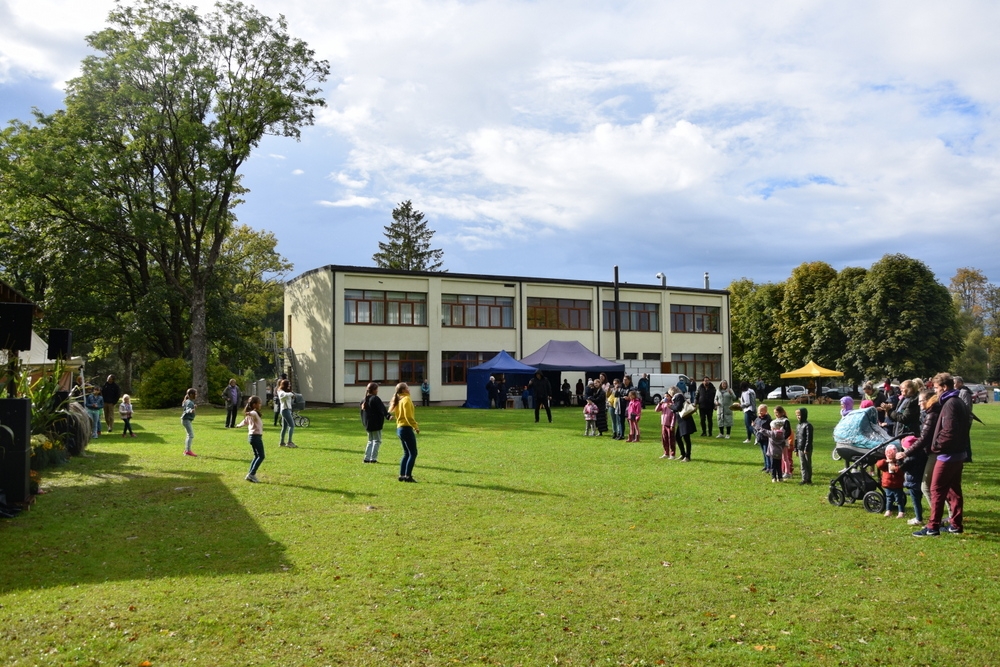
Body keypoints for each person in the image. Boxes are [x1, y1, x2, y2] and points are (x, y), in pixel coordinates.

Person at [914, 373, 970, 537]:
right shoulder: (958, 401)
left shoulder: (950, 403)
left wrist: (936, 446)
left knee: (936, 490)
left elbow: (949, 430)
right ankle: (955, 525)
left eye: (937, 388)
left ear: (944, 387)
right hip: (958, 453)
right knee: (953, 491)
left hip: (948, 455)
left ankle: (932, 527)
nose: (936, 392)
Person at [389, 382, 419, 482]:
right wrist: (415, 426)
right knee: (413, 453)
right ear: (403, 390)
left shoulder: (399, 399)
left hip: (400, 429)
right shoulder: (406, 399)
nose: (409, 389)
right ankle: (408, 476)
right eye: (407, 388)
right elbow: (408, 416)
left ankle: (402, 475)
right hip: (406, 428)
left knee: (406, 453)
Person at [237, 395, 265, 483]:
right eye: (259, 403)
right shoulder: (253, 413)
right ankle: (252, 474)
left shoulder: (253, 414)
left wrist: (239, 425)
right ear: (254, 405)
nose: (260, 405)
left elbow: (244, 421)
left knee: (256, 456)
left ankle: (250, 473)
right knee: (261, 456)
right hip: (256, 437)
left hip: (252, 437)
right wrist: (249, 413)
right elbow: (251, 414)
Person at [362, 382, 390, 463]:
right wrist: (388, 416)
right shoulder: (375, 399)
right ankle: (373, 458)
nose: (377, 391)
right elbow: (382, 409)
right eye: (377, 389)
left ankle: (366, 458)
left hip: (368, 424)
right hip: (376, 423)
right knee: (377, 441)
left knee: (370, 440)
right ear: (374, 390)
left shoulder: (364, 400)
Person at [876, 444, 906, 518]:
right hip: (888, 484)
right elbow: (878, 465)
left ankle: (901, 512)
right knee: (889, 499)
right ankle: (888, 511)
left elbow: (902, 471)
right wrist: (886, 461)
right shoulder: (885, 463)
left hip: (897, 484)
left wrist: (895, 468)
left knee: (899, 499)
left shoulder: (899, 462)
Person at [670, 386, 697, 462]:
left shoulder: (679, 396)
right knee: (678, 437)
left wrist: (671, 407)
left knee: (686, 438)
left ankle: (687, 456)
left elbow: (678, 407)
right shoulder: (677, 397)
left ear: (672, 391)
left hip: (685, 420)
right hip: (682, 421)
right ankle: (683, 454)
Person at [763, 415, 788, 482]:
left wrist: (755, 426)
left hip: (772, 452)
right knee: (779, 466)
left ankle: (773, 477)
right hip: (779, 452)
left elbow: (764, 431)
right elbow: (783, 443)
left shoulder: (772, 434)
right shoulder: (782, 434)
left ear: (773, 427)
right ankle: (780, 478)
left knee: (773, 466)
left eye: (771, 427)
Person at [773, 405, 794, 479]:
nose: (776, 414)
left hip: (783, 442)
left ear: (781, 412)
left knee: (785, 457)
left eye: (777, 413)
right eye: (775, 413)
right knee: (780, 457)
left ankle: (787, 472)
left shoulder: (785, 421)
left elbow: (788, 432)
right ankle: (781, 470)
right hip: (777, 442)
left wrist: (783, 438)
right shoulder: (776, 420)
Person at [277, 379, 297, 448]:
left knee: (284, 427)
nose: (289, 385)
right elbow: (284, 395)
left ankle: (282, 442)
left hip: (287, 410)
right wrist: (291, 394)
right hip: (285, 410)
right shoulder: (281, 392)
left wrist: (291, 394)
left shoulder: (285, 391)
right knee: (292, 425)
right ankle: (289, 442)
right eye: (288, 384)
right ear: (285, 385)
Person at [795, 408, 813, 484]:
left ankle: (808, 479)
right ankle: (804, 478)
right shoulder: (798, 425)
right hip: (800, 447)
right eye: (797, 415)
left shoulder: (808, 425)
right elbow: (796, 437)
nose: (798, 417)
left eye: (799, 415)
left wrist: (806, 448)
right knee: (802, 464)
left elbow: (809, 438)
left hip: (806, 448)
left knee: (807, 463)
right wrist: (796, 448)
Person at [655, 393, 677, 458]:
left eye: (667, 396)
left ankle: (672, 454)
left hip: (670, 424)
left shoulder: (672, 404)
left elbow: (674, 415)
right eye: (665, 396)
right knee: (664, 438)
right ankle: (666, 453)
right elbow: (656, 410)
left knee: (671, 439)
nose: (666, 397)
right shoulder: (663, 404)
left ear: (670, 397)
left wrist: (672, 425)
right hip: (663, 423)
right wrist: (660, 403)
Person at [753, 404, 772, 472]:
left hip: (766, 438)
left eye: (761, 411)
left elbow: (770, 429)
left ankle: (769, 467)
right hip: (760, 438)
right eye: (759, 411)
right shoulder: (757, 419)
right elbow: (755, 427)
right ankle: (766, 465)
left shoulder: (768, 419)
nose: (760, 412)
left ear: (765, 411)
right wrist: (755, 432)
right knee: (763, 452)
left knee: (767, 452)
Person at [181, 388, 197, 457]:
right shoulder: (190, 402)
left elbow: (183, 405)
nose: (196, 395)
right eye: (195, 394)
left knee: (189, 435)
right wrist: (191, 410)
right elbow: (187, 409)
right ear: (191, 394)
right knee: (191, 435)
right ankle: (188, 451)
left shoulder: (187, 401)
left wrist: (194, 407)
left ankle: (186, 450)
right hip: (186, 420)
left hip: (185, 420)